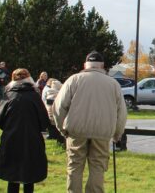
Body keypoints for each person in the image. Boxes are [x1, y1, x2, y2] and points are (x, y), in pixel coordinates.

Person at [53, 51, 127, 193]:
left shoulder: (74, 80)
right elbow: (122, 113)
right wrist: (117, 134)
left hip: (76, 130)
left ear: (85, 65)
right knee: (98, 167)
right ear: (103, 66)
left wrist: (62, 128)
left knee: (74, 166)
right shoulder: (113, 84)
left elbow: (59, 106)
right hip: (102, 132)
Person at [0, 68, 50, 193]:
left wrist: (9, 128)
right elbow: (44, 121)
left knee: (12, 177)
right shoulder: (35, 96)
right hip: (32, 140)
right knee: (29, 177)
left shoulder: (8, 95)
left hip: (11, 139)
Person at [43, 79, 64, 144]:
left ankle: (53, 137)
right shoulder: (58, 94)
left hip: (50, 115)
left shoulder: (49, 94)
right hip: (57, 115)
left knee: (52, 128)